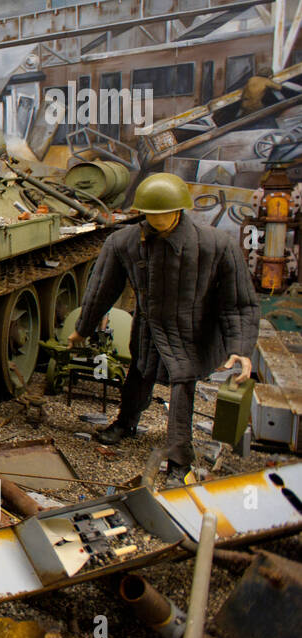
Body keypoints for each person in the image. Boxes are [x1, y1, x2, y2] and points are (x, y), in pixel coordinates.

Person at [69, 173, 258, 487]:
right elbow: (101, 289)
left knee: (182, 393)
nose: (155, 218)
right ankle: (126, 423)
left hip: (192, 335)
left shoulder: (216, 245)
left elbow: (238, 303)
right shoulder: (124, 242)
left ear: (179, 211)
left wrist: (241, 348)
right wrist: (83, 329)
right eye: (149, 212)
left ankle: (179, 461)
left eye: (162, 212)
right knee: (139, 376)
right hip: (148, 331)